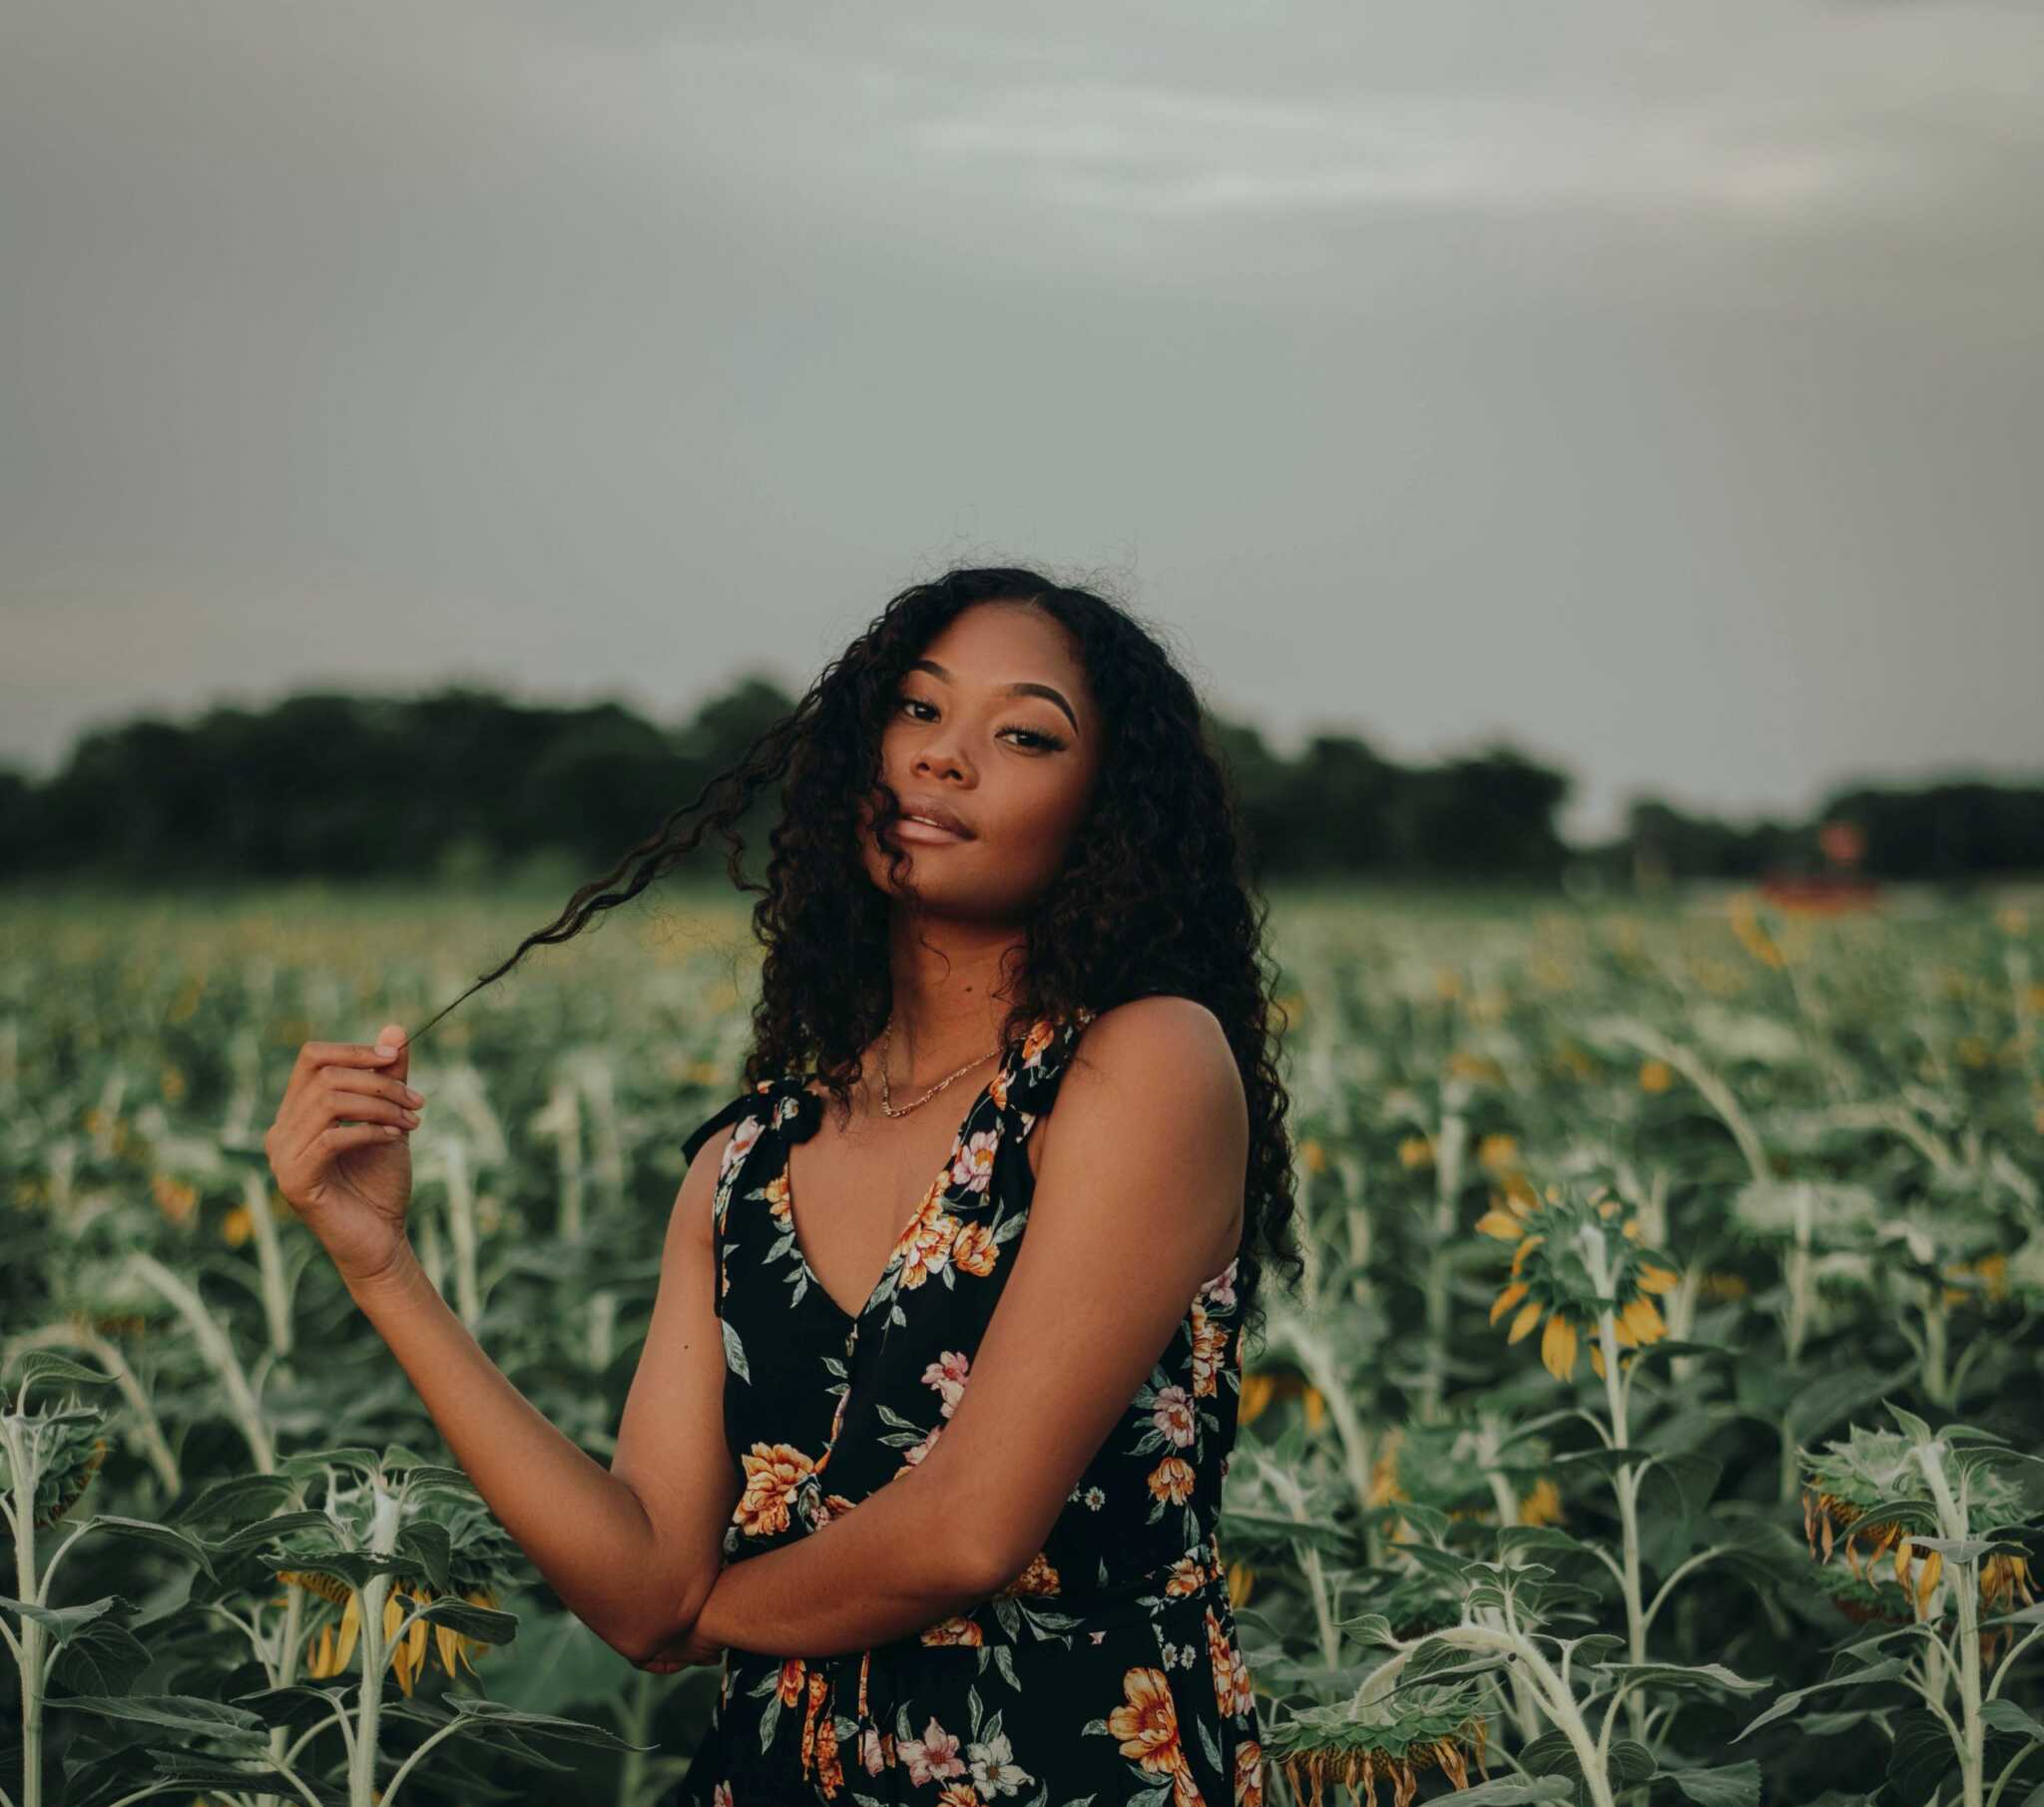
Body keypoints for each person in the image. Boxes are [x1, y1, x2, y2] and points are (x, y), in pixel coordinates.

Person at [263, 566, 1301, 1806]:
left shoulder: (1142, 1067)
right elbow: (642, 1583)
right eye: (916, 711)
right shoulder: (743, 1164)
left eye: (1021, 733)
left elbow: (969, 1526)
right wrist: (380, 1261)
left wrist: (714, 1610)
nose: (944, 759)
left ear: (1107, 811)